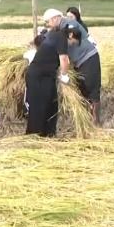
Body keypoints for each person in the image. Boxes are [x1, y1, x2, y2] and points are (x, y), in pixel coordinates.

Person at [26, 9, 72, 137]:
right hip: (38, 76)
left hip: (45, 76)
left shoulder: (57, 34)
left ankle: (49, 133)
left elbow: (62, 58)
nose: (48, 24)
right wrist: (64, 75)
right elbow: (63, 59)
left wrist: (62, 74)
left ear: (56, 18)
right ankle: (36, 135)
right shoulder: (57, 35)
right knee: (39, 105)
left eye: (49, 21)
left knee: (52, 104)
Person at [64, 12, 102, 124]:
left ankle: (96, 121)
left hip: (88, 58)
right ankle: (85, 116)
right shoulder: (57, 32)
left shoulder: (72, 25)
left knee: (92, 86)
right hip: (77, 63)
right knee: (81, 88)